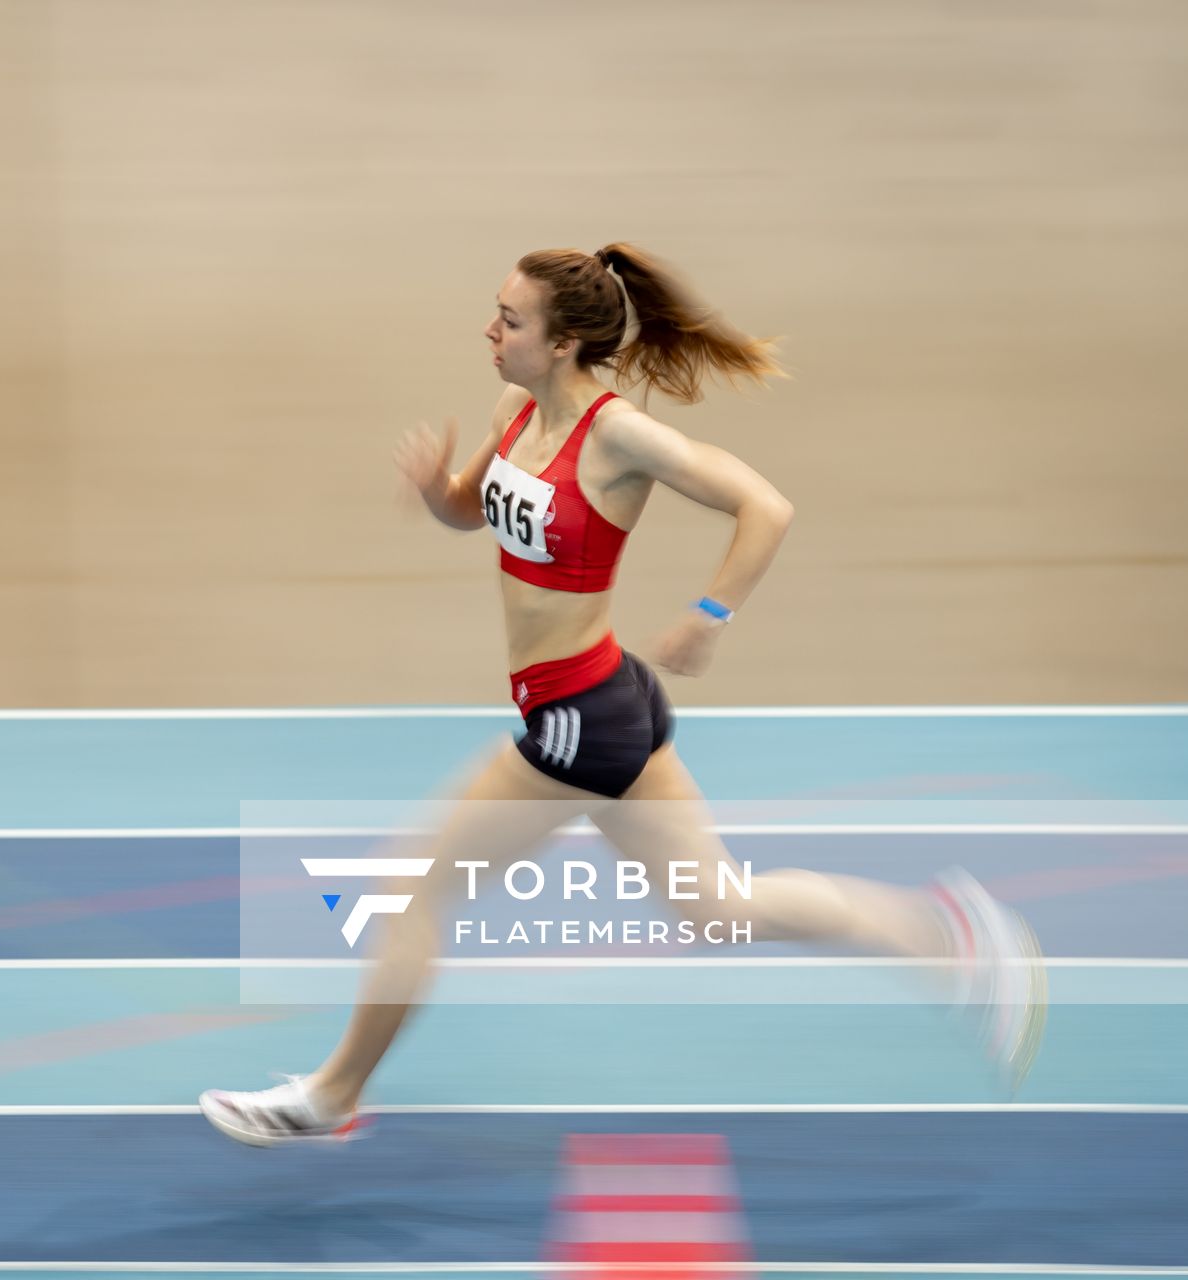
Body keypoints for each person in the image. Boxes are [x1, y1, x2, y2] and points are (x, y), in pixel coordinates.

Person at [199, 244, 1045, 1147]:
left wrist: (709, 614)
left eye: (510, 320)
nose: (491, 330)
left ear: (563, 345)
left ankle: (331, 1094)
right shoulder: (515, 409)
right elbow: (469, 506)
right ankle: (949, 936)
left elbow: (767, 506)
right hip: (610, 697)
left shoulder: (617, 437)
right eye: (497, 312)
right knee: (720, 910)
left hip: (579, 721)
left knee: (410, 891)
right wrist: (433, 490)